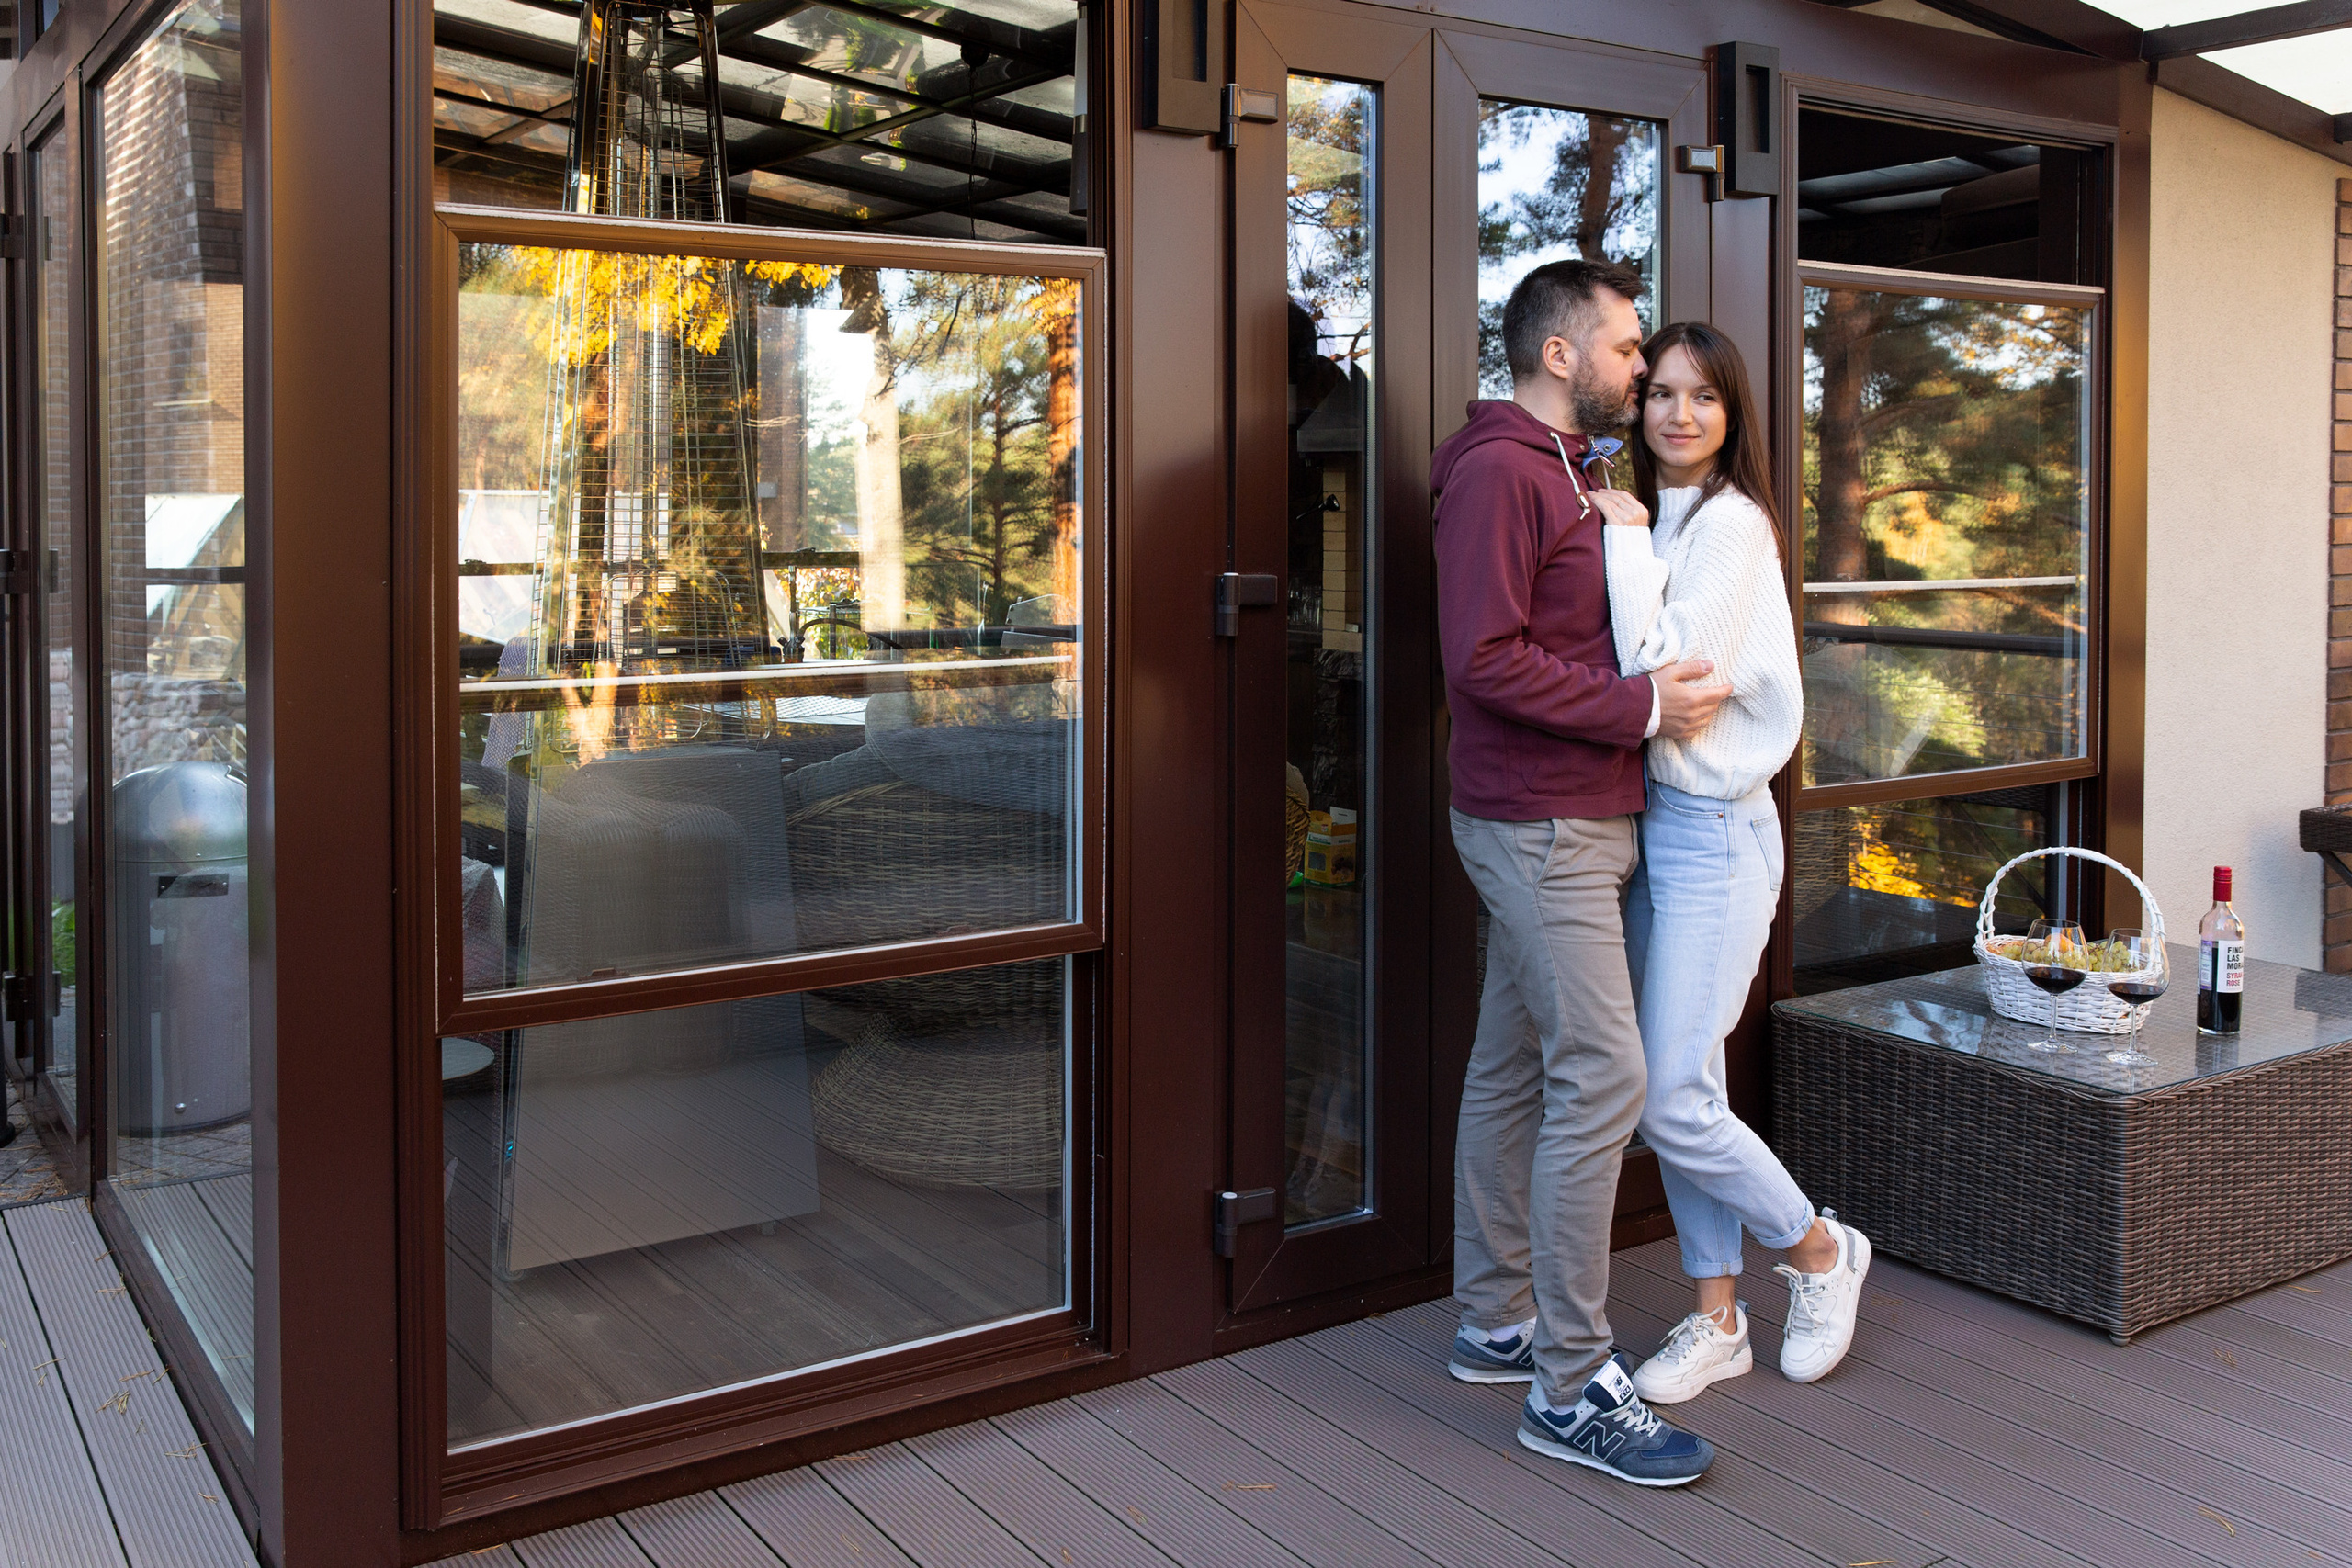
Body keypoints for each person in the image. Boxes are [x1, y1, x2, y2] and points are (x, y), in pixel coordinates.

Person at [1430, 258, 1729, 1487]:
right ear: (1560, 354)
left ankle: (1496, 1319)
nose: (1640, 368)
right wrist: (1641, 704)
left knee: (1512, 1067)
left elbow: (1556, 622)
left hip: (1570, 816)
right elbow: (1481, 657)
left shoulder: (1566, 470)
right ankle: (1567, 1385)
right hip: (1541, 824)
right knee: (1604, 1074)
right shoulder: (1503, 470)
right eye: (1624, 347)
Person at [1585, 321, 1872, 1404]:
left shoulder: (1730, 524)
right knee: (1684, 1084)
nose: (1678, 414)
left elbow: (1660, 661)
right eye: (1660, 392)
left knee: (1669, 1098)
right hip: (1653, 823)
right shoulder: (1655, 513)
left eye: (1701, 396)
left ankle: (1817, 1251)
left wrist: (1621, 549)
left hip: (1713, 830)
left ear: (1731, 412)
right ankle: (1717, 1319)